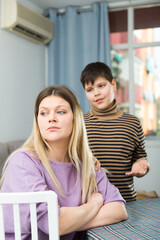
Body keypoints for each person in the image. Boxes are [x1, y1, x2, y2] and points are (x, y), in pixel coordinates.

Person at [0, 85, 127, 240]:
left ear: (75, 119)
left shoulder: (88, 166)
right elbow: (54, 223)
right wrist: (95, 203)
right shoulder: (23, 162)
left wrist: (69, 221)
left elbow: (118, 210)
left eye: (61, 111)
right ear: (38, 121)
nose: (51, 118)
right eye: (43, 113)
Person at [80, 62, 150, 202]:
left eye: (101, 86)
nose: (96, 93)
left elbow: (141, 158)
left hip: (127, 202)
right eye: (90, 89)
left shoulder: (133, 123)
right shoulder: (79, 124)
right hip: (90, 204)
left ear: (113, 84)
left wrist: (142, 167)